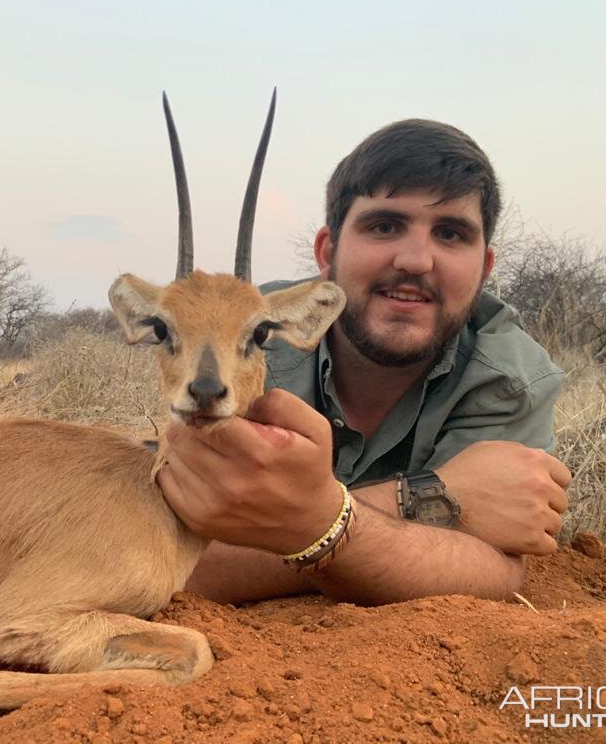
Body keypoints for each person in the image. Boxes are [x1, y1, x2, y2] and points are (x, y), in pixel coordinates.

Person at [157, 119, 572, 606]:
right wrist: (429, 497)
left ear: (483, 269)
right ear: (327, 252)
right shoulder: (242, 333)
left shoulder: (510, 378)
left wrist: (279, 524)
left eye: (451, 233)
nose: (417, 260)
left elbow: (490, 574)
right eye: (385, 226)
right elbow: (175, 553)